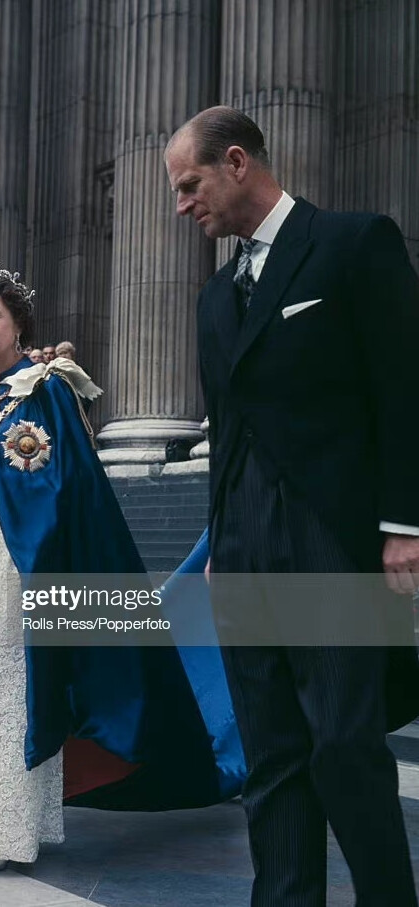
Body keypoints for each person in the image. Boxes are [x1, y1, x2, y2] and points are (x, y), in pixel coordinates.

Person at [0, 258, 245, 874]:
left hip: (23, 568)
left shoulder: (50, 391)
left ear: (18, 324)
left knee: (9, 689)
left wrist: (21, 511)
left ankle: (5, 829)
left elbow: (73, 486)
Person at [165, 105, 419, 906]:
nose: (181, 205)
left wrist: (403, 524)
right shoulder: (213, 298)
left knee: (344, 743)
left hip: (328, 537)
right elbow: (228, 430)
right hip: (240, 545)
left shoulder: (353, 243)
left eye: (188, 184)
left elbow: (404, 391)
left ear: (236, 162)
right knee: (271, 753)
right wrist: (215, 545)